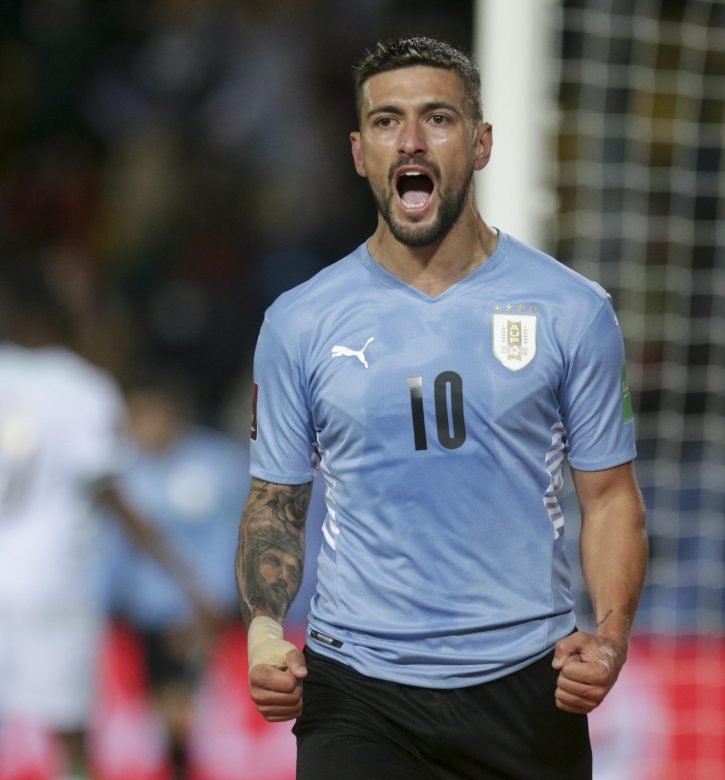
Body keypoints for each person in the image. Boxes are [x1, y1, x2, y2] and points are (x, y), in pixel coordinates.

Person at [235, 36, 647, 779]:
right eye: (387, 121)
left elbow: (612, 498)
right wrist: (265, 629)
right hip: (357, 689)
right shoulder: (299, 322)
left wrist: (611, 636)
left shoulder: (573, 310)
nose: (411, 141)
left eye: (438, 118)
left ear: (481, 144)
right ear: (359, 152)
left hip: (527, 684)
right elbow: (275, 502)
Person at [0, 264, 217, 780]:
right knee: (72, 742)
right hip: (55, 581)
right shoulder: (83, 388)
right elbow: (116, 499)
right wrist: (185, 578)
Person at [103, 365, 250, 779]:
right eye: (134, 418)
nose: (142, 427)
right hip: (146, 613)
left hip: (205, 612)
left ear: (173, 412)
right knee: (159, 713)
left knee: (204, 714)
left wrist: (215, 602)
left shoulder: (219, 464)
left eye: (148, 414)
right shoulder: (122, 471)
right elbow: (113, 549)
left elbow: (234, 537)